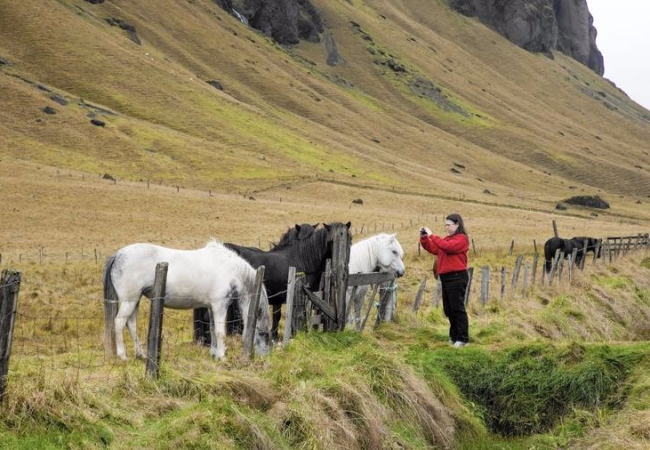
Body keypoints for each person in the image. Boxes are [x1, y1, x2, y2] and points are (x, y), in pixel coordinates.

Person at [419, 213, 470, 347]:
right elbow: (434, 248)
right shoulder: (447, 239)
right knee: (449, 309)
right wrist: (424, 238)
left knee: (457, 308)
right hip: (446, 278)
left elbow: (448, 247)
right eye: (445, 225)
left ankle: (463, 339)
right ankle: (454, 337)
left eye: (449, 225)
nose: (446, 227)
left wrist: (432, 235)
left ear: (457, 224)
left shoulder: (462, 239)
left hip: (457, 277)